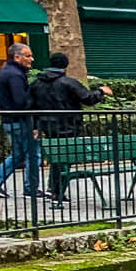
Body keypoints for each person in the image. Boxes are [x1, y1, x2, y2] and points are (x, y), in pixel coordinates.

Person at [28, 53, 112, 205]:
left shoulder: (36, 84)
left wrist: (35, 126)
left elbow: (31, 106)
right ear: (65, 65)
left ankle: (55, 188)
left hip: (47, 125)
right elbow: (88, 99)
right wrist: (100, 91)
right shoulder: (69, 83)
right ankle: (56, 190)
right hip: (68, 125)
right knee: (65, 158)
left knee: (57, 157)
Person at [0, 41, 39, 199]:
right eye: (28, 56)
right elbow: (21, 101)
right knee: (32, 153)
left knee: (19, 154)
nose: (31, 59)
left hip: (11, 120)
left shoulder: (7, 71)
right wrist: (34, 100)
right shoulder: (15, 75)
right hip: (19, 120)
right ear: (17, 57)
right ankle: (31, 188)